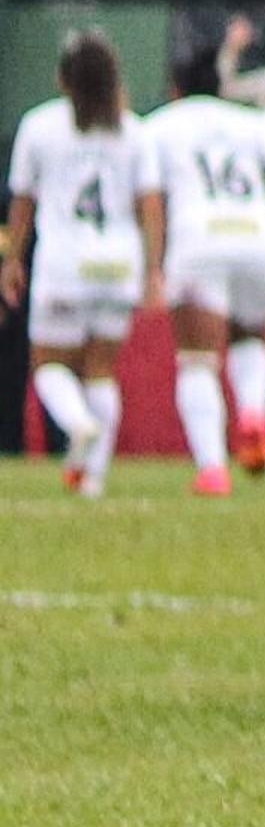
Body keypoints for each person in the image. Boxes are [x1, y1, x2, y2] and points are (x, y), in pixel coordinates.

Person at [142, 44, 265, 493]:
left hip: (199, 239)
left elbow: (150, 197)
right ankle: (252, 414)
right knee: (249, 336)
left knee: (198, 361)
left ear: (175, 89)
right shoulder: (251, 122)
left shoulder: (158, 126)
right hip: (259, 238)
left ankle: (212, 468)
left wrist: (152, 264)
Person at [7, 31, 162, 496]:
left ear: (63, 79)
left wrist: (13, 258)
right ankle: (92, 479)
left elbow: (22, 202)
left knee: (49, 365)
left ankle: (76, 424)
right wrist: (152, 270)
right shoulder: (133, 131)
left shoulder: (38, 125)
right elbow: (150, 206)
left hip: (63, 264)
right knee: (100, 369)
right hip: (117, 264)